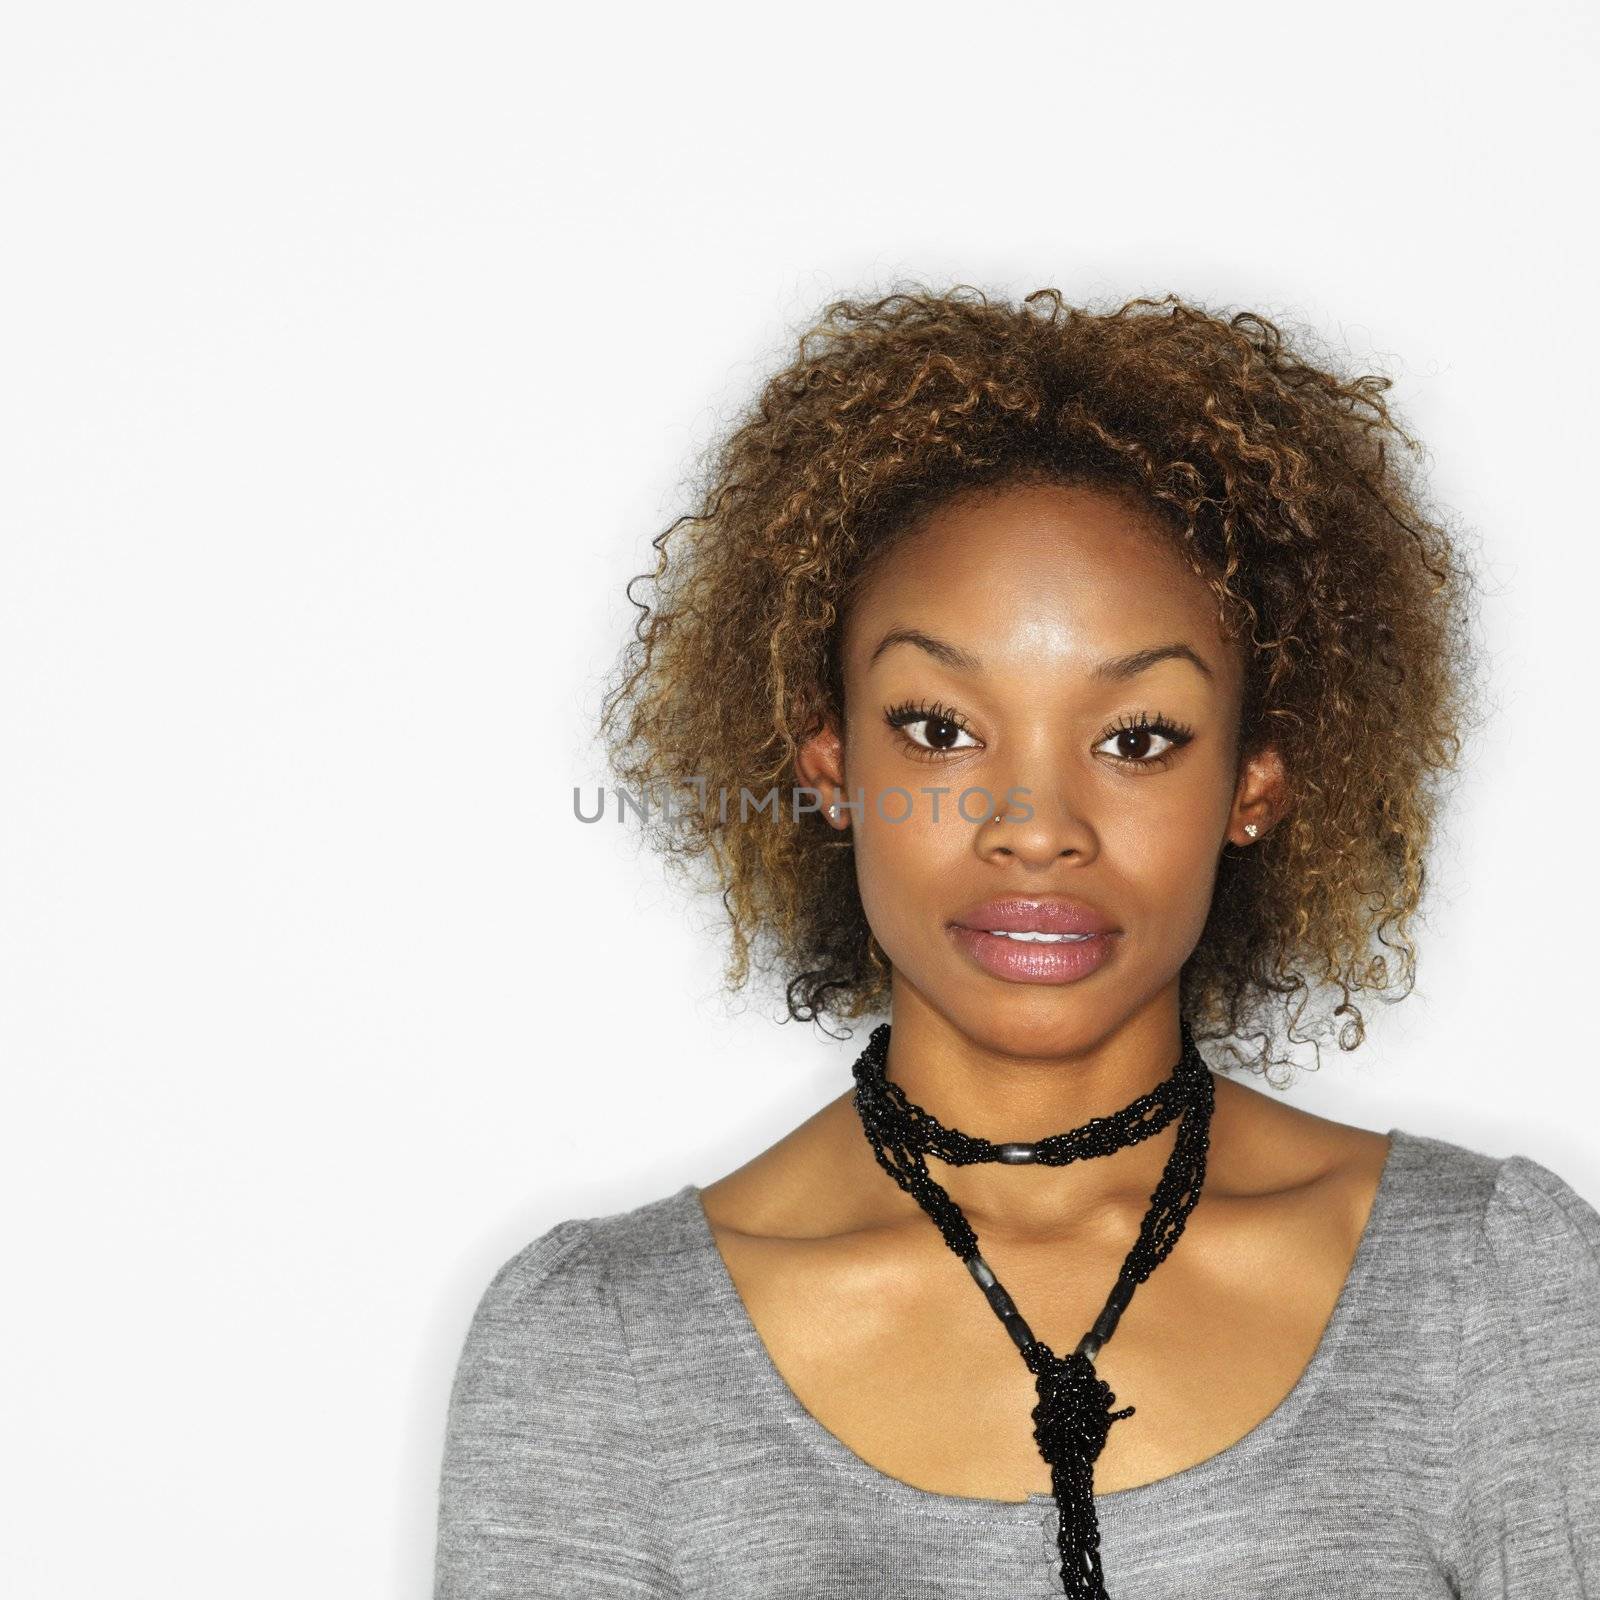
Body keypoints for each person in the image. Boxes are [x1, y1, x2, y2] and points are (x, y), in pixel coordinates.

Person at [432, 288, 1600, 1597]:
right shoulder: (602, 1354)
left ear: (1257, 783)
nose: (1036, 830)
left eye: (1137, 738)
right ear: (830, 764)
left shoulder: (1491, 1293)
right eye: (940, 729)